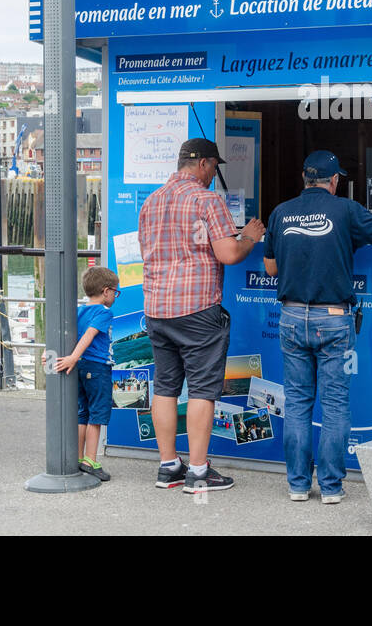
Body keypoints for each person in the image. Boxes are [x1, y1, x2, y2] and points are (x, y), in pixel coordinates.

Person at [264, 150, 372, 504]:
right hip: (334, 320)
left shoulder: (280, 212)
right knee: (335, 404)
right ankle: (331, 487)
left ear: (304, 179)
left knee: (296, 403)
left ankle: (297, 485)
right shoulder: (344, 210)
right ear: (335, 181)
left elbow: (270, 269)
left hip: (292, 318)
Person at [138, 138, 265, 494]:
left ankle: (168, 467)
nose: (213, 175)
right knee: (202, 391)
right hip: (196, 310)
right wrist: (250, 237)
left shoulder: (151, 201)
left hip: (158, 310)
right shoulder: (207, 200)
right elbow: (227, 254)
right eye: (214, 167)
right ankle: (197, 471)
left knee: (164, 387)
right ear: (205, 164)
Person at [54, 265, 121, 482]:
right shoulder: (103, 312)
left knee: (82, 413)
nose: (114, 295)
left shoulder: (79, 310)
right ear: (105, 291)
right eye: (114, 291)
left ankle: (78, 457)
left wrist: (72, 357)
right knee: (97, 414)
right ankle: (91, 461)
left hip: (81, 367)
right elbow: (90, 335)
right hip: (97, 367)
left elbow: (69, 334)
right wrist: (73, 356)